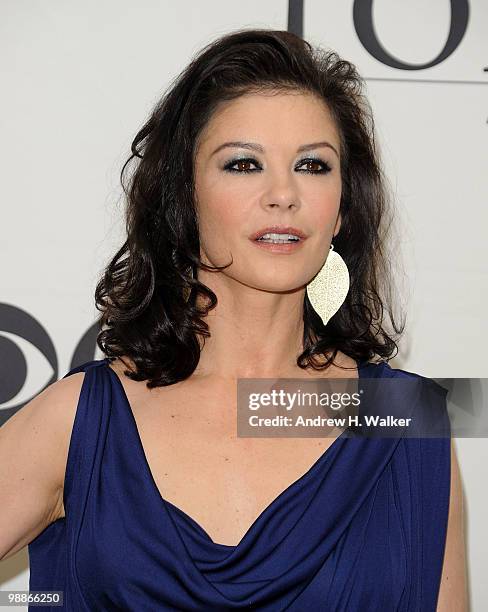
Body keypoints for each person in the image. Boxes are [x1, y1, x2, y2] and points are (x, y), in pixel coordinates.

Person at [0, 28, 467, 610]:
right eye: (244, 164)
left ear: (344, 208)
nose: (283, 193)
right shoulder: (83, 422)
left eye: (313, 166)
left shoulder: (401, 419)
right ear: (183, 196)